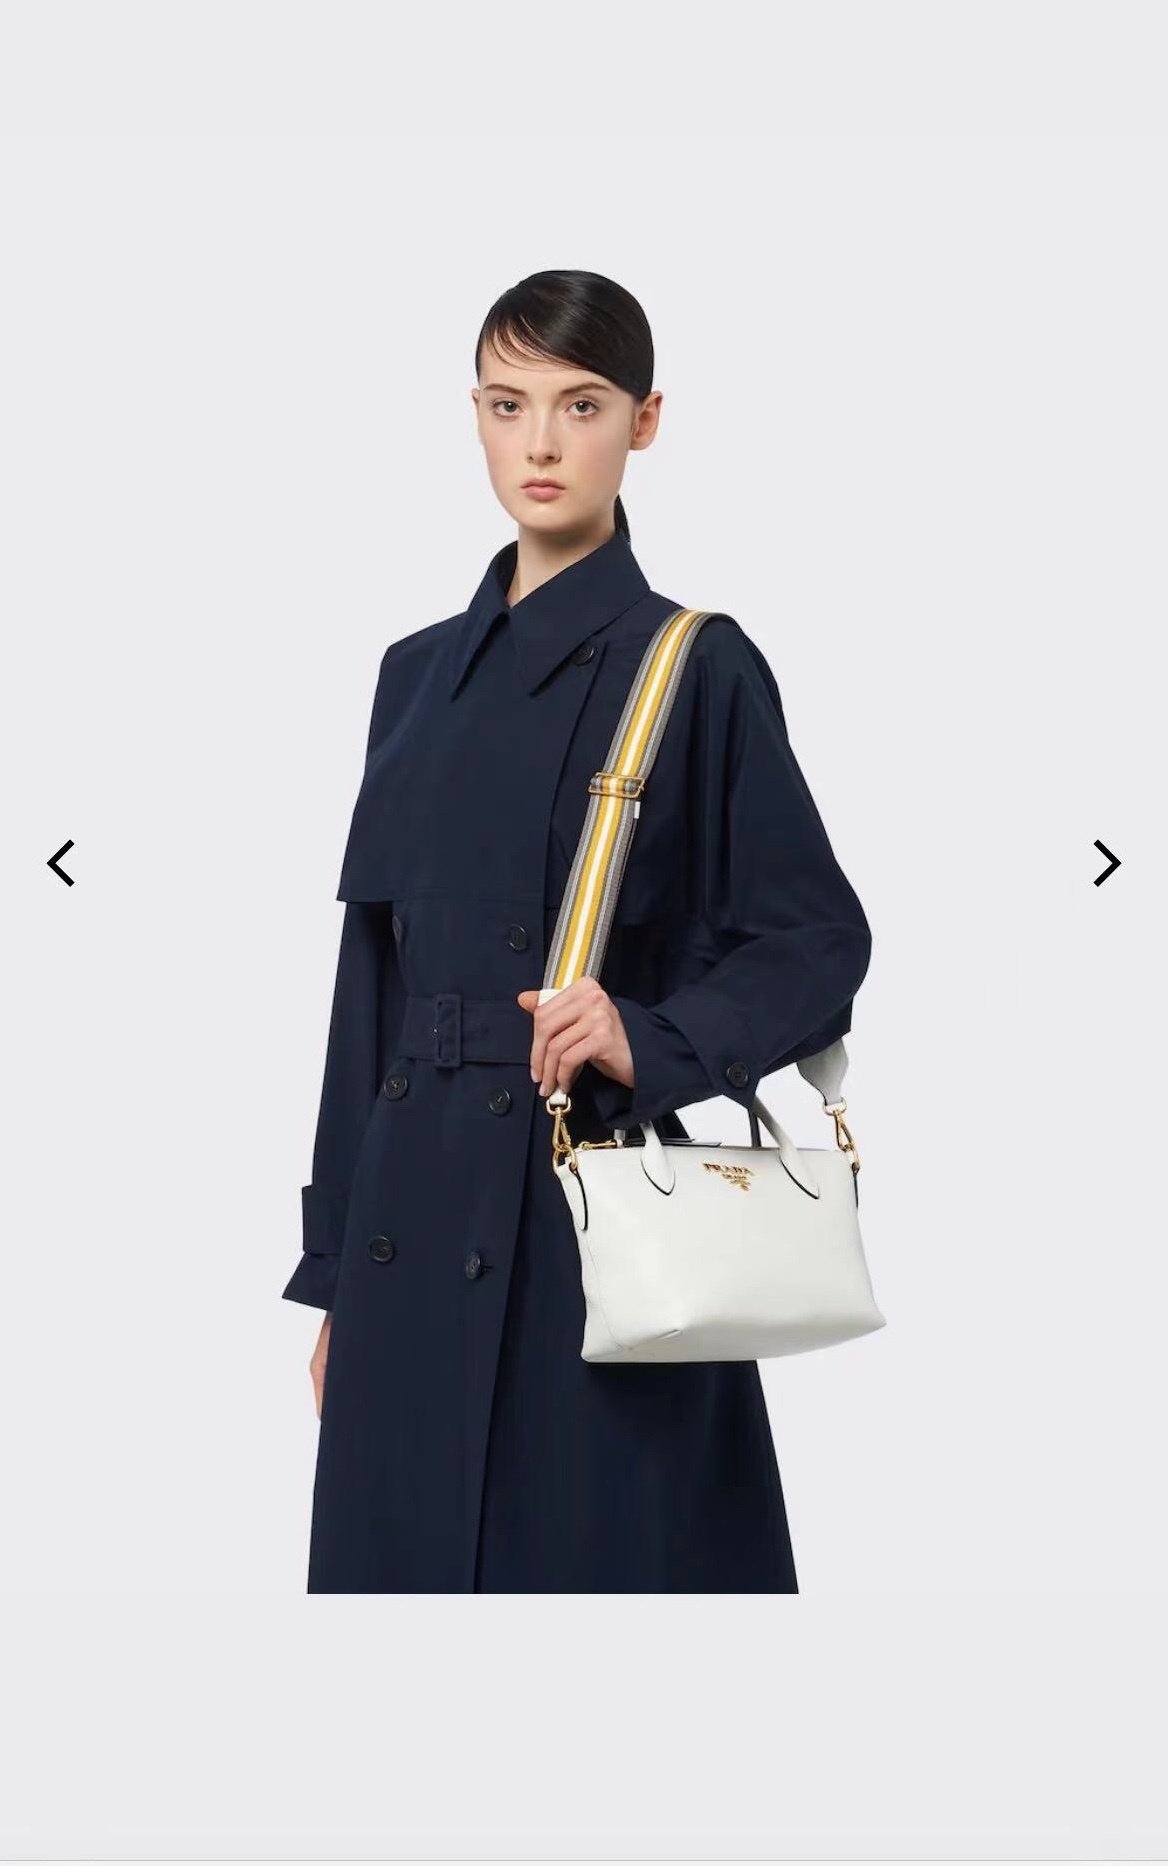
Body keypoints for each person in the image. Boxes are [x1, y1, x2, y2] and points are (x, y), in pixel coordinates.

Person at [281, 268, 872, 1592]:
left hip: (593, 1234)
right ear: (476, 417)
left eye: (581, 404)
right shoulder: (410, 674)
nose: (541, 443)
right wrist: (335, 1280)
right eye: (509, 405)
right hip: (405, 1234)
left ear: (644, 421)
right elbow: (369, 992)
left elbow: (815, 941)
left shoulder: (694, 663)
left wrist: (651, 1035)